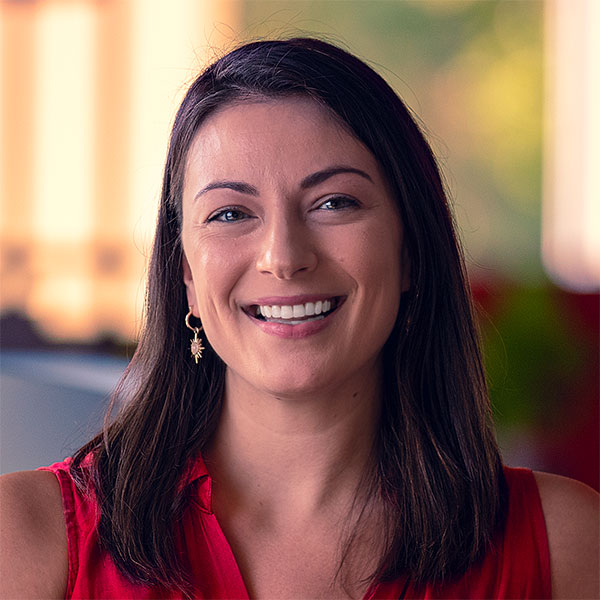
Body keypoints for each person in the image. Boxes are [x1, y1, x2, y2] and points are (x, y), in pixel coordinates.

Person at [0, 37, 598, 600]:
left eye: (334, 203)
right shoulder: (27, 540)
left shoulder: (563, 547)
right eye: (231, 213)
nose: (283, 257)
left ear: (411, 247)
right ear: (185, 270)